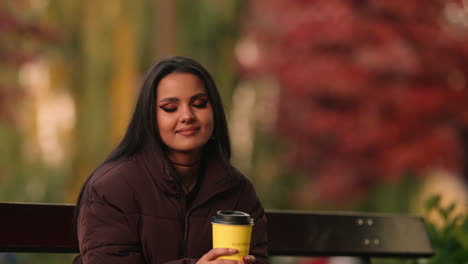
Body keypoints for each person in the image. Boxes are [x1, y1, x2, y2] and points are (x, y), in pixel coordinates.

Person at [73, 56, 268, 264]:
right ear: (149, 116)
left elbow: (259, 259)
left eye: (199, 104)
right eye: (170, 107)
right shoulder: (111, 188)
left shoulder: (238, 191)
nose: (187, 115)